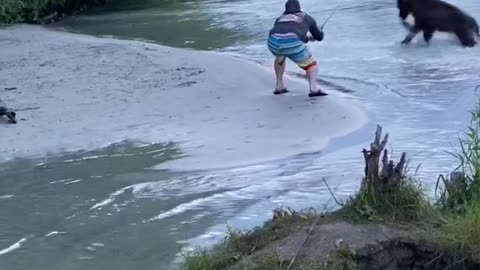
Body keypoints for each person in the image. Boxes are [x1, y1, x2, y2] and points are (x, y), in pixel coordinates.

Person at [267, 0, 327, 97]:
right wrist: (317, 33)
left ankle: (279, 86)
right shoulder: (306, 17)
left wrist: (307, 38)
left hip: (272, 43)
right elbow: (320, 37)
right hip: (291, 42)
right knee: (312, 65)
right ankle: (313, 89)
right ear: (299, 8)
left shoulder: (280, 18)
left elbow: (285, 34)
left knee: (280, 56)